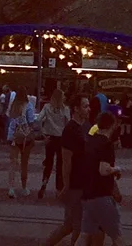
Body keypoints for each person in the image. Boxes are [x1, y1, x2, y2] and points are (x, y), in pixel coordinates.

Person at [44, 94, 91, 246]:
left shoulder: (84, 127)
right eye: (85, 106)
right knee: (75, 225)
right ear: (76, 109)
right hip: (75, 182)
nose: (88, 109)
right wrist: (66, 184)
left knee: (72, 225)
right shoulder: (70, 130)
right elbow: (66, 160)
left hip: (83, 181)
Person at [80, 111, 123, 246]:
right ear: (112, 125)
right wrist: (117, 169)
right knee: (116, 235)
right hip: (101, 195)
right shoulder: (106, 145)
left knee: (85, 234)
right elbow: (104, 170)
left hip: (88, 193)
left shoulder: (91, 141)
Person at [37, 87, 69, 198]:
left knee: (49, 162)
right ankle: (58, 188)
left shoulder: (47, 107)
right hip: (61, 138)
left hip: (49, 138)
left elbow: (38, 119)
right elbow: (68, 124)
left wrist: (43, 134)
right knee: (60, 164)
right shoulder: (65, 109)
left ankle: (44, 182)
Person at [6, 88, 37, 199]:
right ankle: (24, 187)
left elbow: (10, 119)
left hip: (13, 136)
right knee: (24, 163)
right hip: (25, 137)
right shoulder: (28, 106)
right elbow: (31, 121)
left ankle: (11, 188)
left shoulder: (13, 106)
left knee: (13, 162)